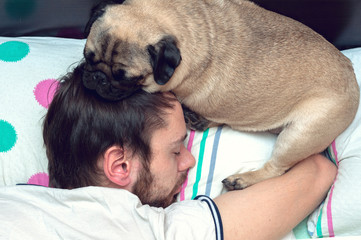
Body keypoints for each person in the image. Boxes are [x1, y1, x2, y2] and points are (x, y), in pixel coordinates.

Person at [41, 62, 337, 240]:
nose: (189, 160)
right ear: (120, 166)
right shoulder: (148, 230)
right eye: (175, 151)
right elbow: (317, 173)